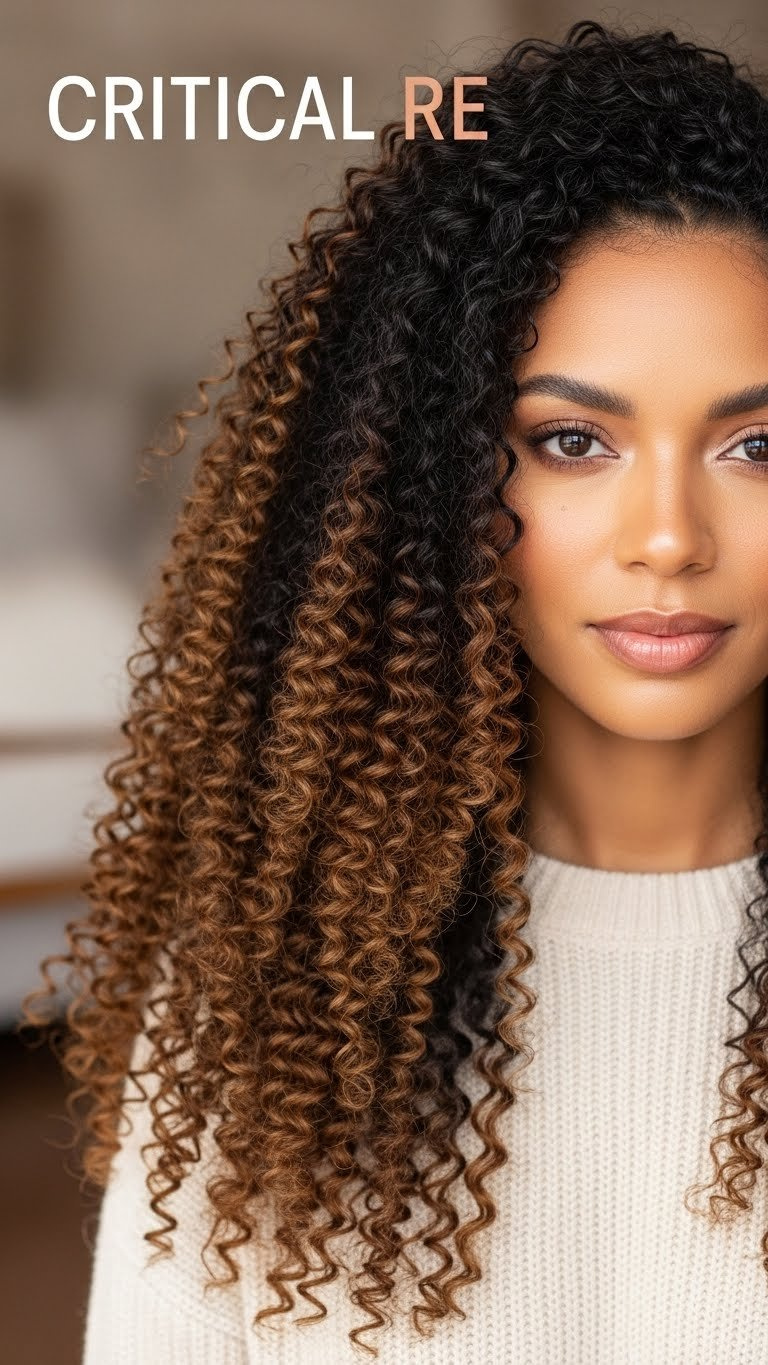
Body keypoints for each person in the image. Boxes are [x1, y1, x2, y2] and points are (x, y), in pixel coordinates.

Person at [22, 18, 768, 1363]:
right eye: (572, 441)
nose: (670, 536)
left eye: (758, 443)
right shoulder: (265, 1003)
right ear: (424, 481)